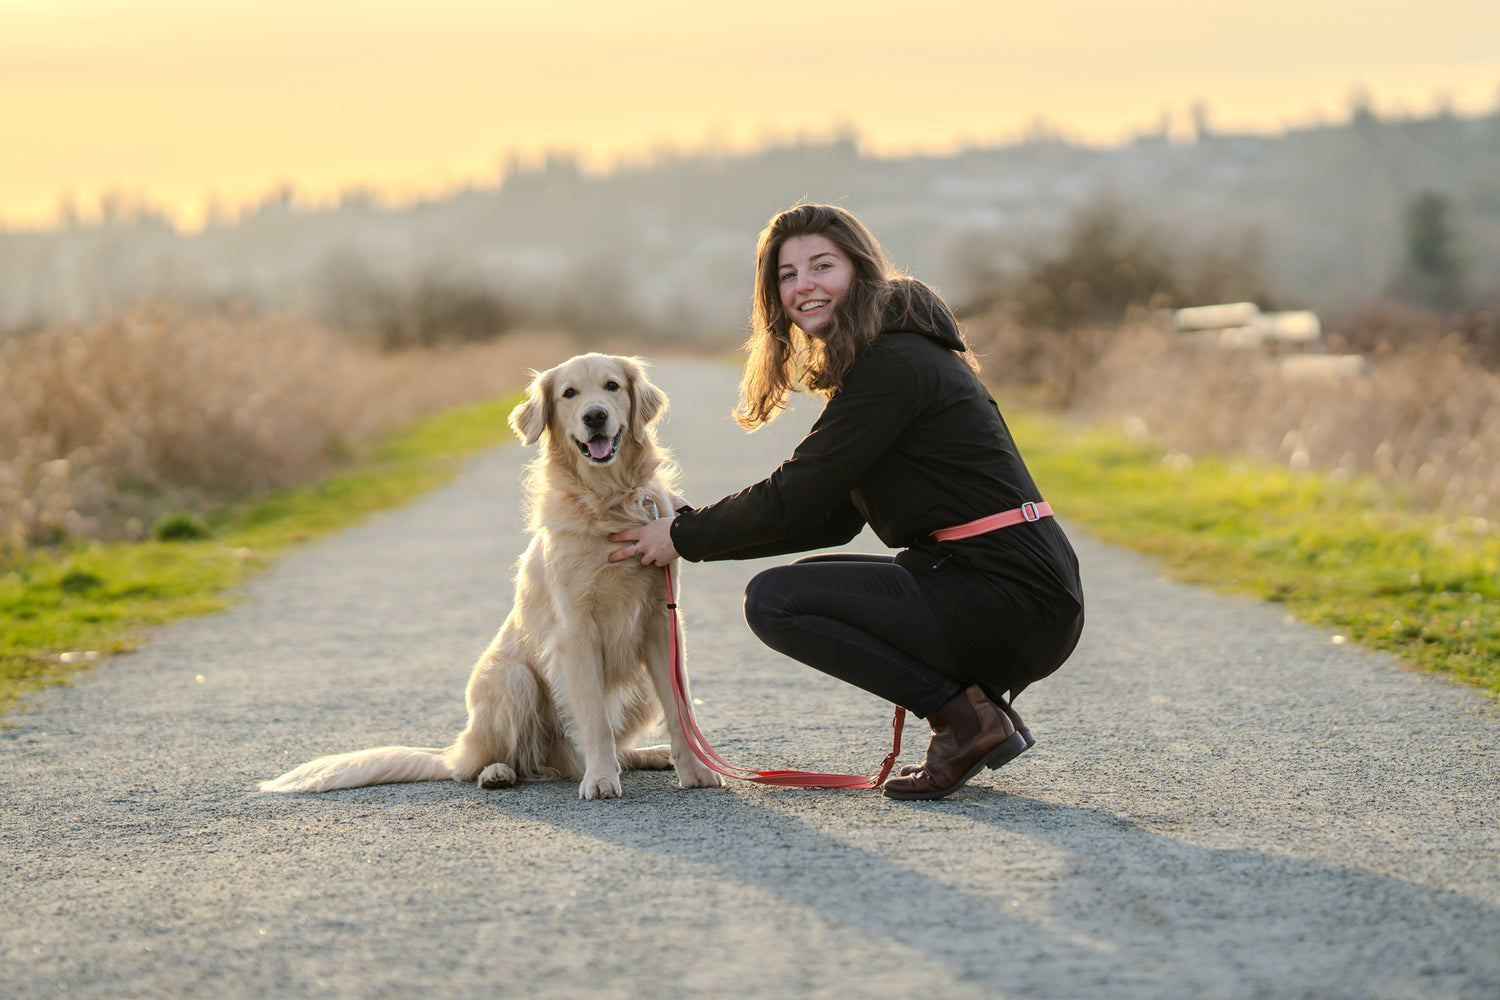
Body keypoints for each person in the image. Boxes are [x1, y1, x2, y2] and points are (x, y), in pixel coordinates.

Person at [609, 203, 1084, 801]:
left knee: (777, 602)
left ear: (859, 271)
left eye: (821, 266)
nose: (803, 285)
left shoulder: (896, 362)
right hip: (1009, 587)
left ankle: (966, 720)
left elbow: (798, 490)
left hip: (1011, 595)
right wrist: (692, 529)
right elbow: (827, 516)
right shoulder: (887, 357)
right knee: (799, 587)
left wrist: (682, 538)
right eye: (786, 275)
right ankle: (974, 713)